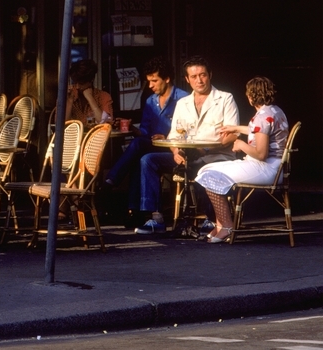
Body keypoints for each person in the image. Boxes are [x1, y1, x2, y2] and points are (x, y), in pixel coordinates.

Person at [135, 56, 240, 235]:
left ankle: (211, 219)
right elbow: (174, 135)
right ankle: (156, 218)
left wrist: (204, 150)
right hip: (188, 156)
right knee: (148, 160)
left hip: (216, 156)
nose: (199, 80)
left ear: (210, 75)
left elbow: (233, 134)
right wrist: (176, 151)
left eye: (203, 75)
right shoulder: (183, 103)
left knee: (208, 168)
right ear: (187, 79)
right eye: (194, 76)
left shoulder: (225, 98)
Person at [195, 76, 290, 243]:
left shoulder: (263, 116)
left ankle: (226, 226)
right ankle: (220, 225)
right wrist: (235, 128)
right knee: (207, 169)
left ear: (251, 96)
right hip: (274, 167)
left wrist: (240, 144)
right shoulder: (274, 111)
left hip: (265, 168)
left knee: (208, 175)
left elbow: (260, 154)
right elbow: (259, 130)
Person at [105, 57, 189, 223]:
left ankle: (113, 184)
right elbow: (144, 132)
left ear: (167, 79)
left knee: (139, 155)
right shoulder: (151, 101)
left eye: (154, 81)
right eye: (149, 81)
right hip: (153, 145)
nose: (150, 85)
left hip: (175, 148)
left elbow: (190, 131)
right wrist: (131, 127)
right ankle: (137, 211)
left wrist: (167, 138)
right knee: (139, 151)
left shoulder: (183, 99)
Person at [66, 59, 113, 125]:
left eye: (81, 83)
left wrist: (90, 98)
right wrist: (70, 101)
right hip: (73, 131)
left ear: (91, 80)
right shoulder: (68, 95)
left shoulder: (104, 96)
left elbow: (105, 124)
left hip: (96, 132)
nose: (77, 87)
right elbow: (60, 124)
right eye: (75, 82)